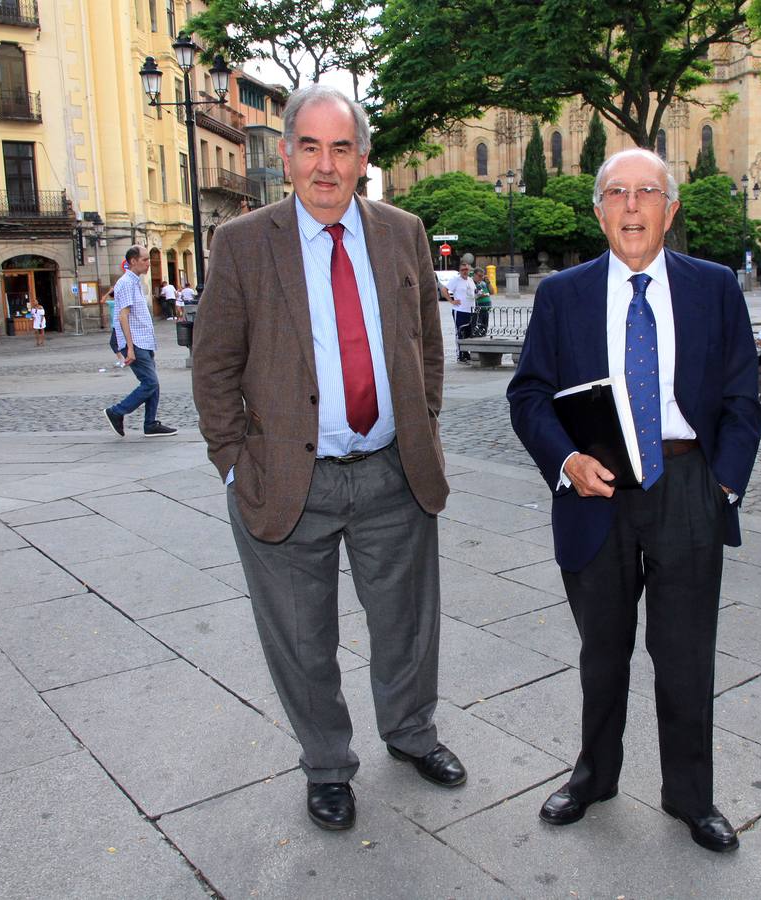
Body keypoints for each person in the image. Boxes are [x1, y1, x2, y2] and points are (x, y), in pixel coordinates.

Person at [191, 84, 465, 834]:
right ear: (284, 156)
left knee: (406, 625)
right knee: (302, 639)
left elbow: (425, 345)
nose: (324, 164)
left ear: (362, 159)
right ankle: (327, 766)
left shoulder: (403, 231)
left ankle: (410, 734)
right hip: (287, 481)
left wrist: (422, 425)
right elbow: (213, 365)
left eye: (340, 147)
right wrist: (233, 462)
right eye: (308, 146)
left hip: (391, 470)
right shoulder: (244, 242)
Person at [508, 148, 761, 853]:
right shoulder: (564, 294)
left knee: (686, 656)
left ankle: (691, 798)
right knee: (602, 652)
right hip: (597, 491)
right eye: (614, 192)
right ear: (597, 210)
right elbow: (528, 394)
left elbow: (744, 395)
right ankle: (592, 778)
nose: (629, 206)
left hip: (688, 486)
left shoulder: (713, 287)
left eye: (645, 192)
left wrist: (722, 483)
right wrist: (565, 460)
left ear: (669, 209)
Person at [103, 245, 178, 437]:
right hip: (136, 342)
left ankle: (150, 423)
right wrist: (129, 347)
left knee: (152, 383)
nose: (148, 263)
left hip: (144, 340)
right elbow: (123, 316)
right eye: (145, 260)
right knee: (150, 383)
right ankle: (117, 411)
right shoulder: (126, 283)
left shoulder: (135, 281)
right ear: (133, 261)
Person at [445, 261, 475, 361]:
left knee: (468, 332)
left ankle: (467, 352)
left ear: (469, 270)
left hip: (470, 310)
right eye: (463, 270)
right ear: (460, 271)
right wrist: (451, 301)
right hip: (460, 310)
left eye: (466, 269)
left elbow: (472, 293)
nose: (465, 271)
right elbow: (444, 290)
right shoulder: (456, 280)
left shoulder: (470, 280)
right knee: (460, 331)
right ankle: (460, 354)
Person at [105, 288, 126, 368]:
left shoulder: (113, 303)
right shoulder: (119, 302)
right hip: (118, 325)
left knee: (113, 343)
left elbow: (102, 300)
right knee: (120, 343)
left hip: (117, 326)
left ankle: (123, 359)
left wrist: (108, 292)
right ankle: (123, 359)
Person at [471, 266, 492, 336]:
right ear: (474, 275)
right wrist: (485, 294)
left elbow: (492, 292)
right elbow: (477, 295)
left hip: (486, 309)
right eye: (479, 276)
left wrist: (488, 282)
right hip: (478, 309)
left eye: (482, 276)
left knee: (484, 329)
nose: (481, 278)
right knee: (478, 329)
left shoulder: (483, 283)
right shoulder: (472, 283)